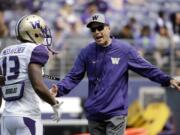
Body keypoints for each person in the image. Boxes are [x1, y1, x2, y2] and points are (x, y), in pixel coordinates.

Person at [50, 13, 180, 135]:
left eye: (100, 28)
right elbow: (73, 76)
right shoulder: (86, 52)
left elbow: (147, 69)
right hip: (95, 114)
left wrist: (168, 79)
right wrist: (59, 89)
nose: (97, 32)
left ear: (108, 29)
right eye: (93, 30)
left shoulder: (124, 50)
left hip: (115, 114)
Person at [0, 14, 62, 135]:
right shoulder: (35, 49)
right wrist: (54, 103)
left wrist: (46, 94)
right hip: (27, 117)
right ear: (33, 32)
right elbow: (37, 85)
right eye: (41, 31)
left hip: (6, 118)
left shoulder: (4, 52)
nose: (43, 35)